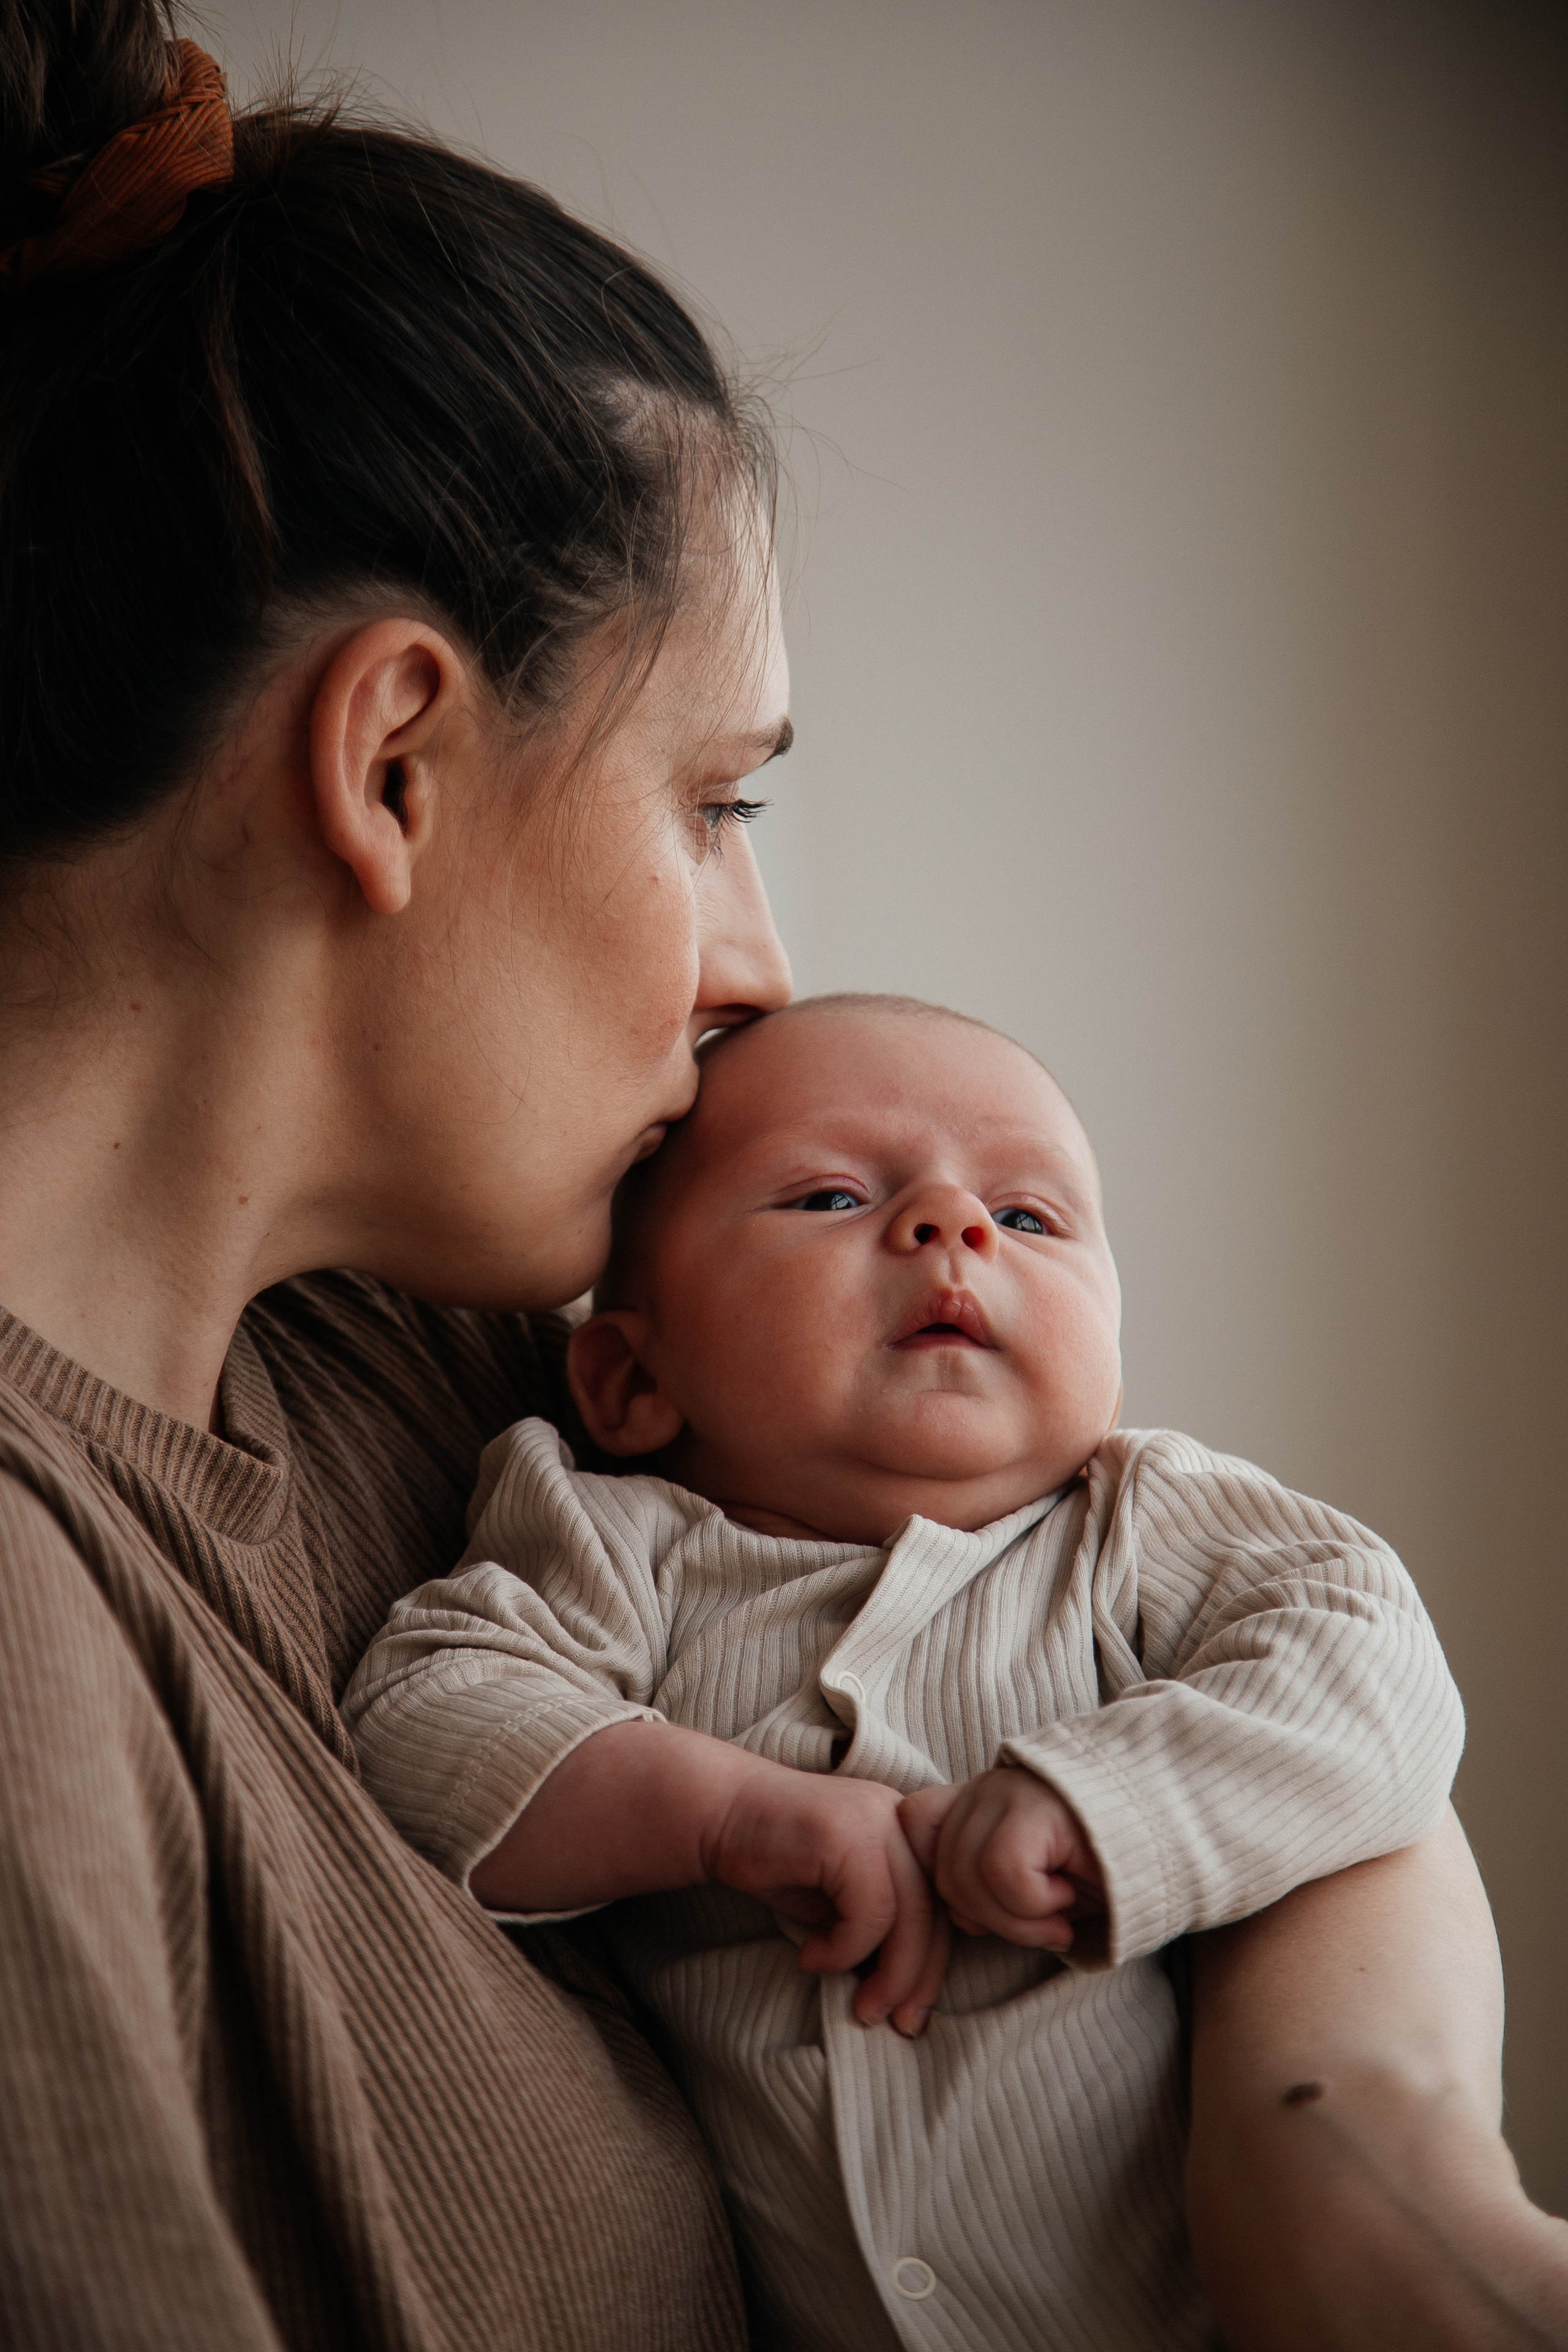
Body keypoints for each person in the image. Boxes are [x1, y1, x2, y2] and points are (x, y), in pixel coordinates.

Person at [0, 4, 1561, 2346]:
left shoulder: (414, 1353)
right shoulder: (67, 1635)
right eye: (716, 803)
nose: (763, 970)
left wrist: (1346, 2136)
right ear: (395, 763)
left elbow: (1271, 1655)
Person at [344, 993, 1466, 2350]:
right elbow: (421, 1717)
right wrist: (723, 1813)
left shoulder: (1136, 1526)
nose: (954, 1227)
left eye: (1033, 1216)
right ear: (632, 1381)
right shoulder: (615, 1541)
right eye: (826, 1196)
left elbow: (1372, 1672)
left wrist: (1103, 1805)